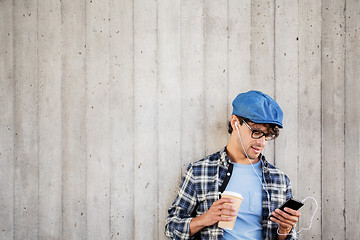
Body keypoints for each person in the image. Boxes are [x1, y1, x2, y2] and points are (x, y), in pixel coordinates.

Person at [165, 90, 301, 240]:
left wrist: (285, 230)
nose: (262, 143)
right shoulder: (200, 172)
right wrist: (205, 219)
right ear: (235, 122)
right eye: (256, 132)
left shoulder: (279, 180)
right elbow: (172, 228)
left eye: (268, 135)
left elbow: (287, 238)